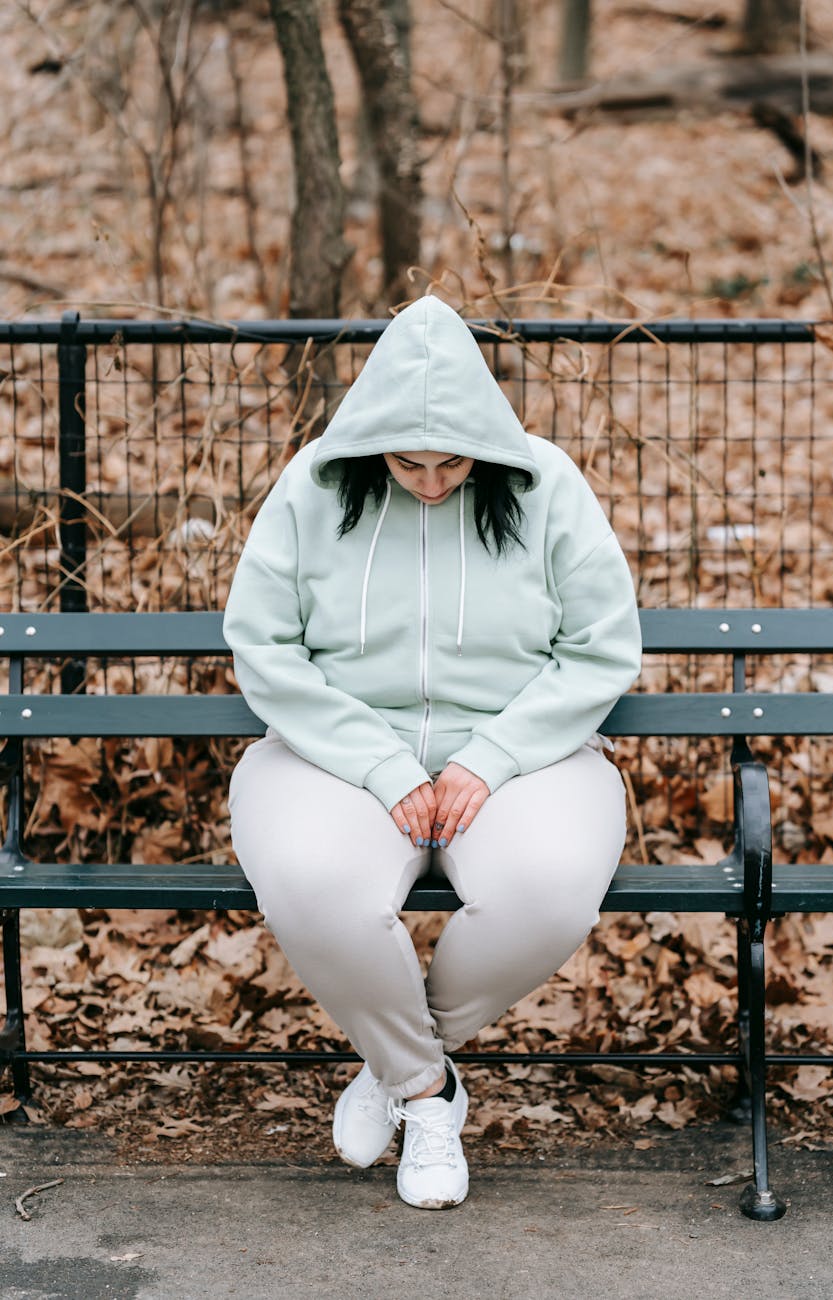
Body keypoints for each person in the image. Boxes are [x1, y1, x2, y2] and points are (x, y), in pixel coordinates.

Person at [224, 295, 642, 1211]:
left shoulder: (545, 484)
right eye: (407, 462)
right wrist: (378, 765)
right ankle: (423, 1091)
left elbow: (600, 647)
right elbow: (263, 643)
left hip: (527, 751)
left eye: (452, 461)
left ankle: (395, 1056)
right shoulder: (312, 486)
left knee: (547, 885)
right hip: (331, 749)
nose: (430, 481)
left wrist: (489, 757)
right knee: (310, 878)